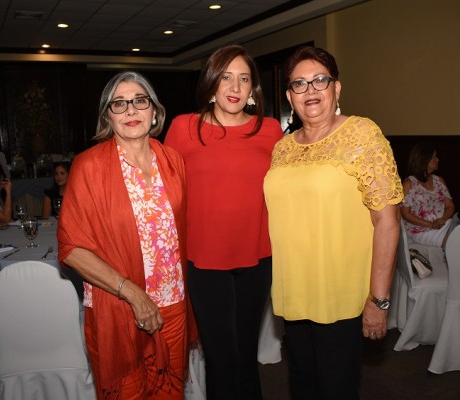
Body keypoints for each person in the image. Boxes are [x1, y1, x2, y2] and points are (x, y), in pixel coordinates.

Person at [263, 46, 404, 400]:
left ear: (336, 88)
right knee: (303, 386)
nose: (310, 91)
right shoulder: (283, 148)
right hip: (294, 293)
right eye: (299, 84)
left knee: (336, 388)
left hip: (341, 296)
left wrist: (379, 300)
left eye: (319, 81)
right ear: (289, 97)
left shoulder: (362, 135)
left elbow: (387, 221)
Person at [58, 71, 194, 399]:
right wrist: (134, 295)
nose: (131, 111)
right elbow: (71, 248)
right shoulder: (88, 166)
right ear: (108, 115)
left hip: (172, 305)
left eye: (139, 101)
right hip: (118, 307)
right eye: (119, 104)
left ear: (155, 111)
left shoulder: (172, 161)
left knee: (169, 393)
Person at [164, 44, 283, 400]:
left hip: (258, 258)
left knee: (246, 354)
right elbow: (163, 189)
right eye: (227, 77)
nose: (235, 87)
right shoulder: (184, 127)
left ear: (252, 89)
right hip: (206, 261)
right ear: (212, 82)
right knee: (222, 358)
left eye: (244, 79)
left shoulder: (271, 130)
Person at [401, 142, 456, 247]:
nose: (438, 159)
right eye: (435, 156)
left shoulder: (439, 180)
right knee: (453, 240)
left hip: (443, 224)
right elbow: (405, 214)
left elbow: (450, 206)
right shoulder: (409, 183)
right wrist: (431, 225)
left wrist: (443, 219)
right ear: (424, 160)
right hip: (420, 230)